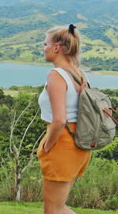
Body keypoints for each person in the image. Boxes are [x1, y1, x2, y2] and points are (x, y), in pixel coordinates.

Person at [37, 24, 91, 214]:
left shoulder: (57, 75)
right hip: (80, 143)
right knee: (58, 207)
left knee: (52, 210)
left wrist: (47, 147)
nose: (44, 48)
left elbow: (59, 120)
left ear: (56, 47)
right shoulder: (79, 74)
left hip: (62, 142)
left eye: (45, 44)